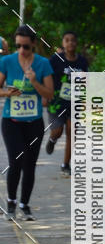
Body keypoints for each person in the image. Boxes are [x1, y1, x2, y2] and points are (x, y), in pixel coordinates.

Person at [0, 25, 54, 220]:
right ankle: (12, 202)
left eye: (26, 46)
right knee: (16, 159)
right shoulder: (6, 61)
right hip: (11, 121)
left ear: (33, 44)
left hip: (34, 122)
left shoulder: (42, 64)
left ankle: (25, 204)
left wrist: (34, 82)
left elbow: (49, 94)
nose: (22, 50)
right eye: (18, 46)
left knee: (30, 164)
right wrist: (7, 92)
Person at [45, 31, 89, 176]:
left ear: (76, 43)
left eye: (73, 40)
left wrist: (84, 102)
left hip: (74, 103)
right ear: (63, 43)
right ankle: (52, 139)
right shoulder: (56, 59)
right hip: (57, 102)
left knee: (72, 132)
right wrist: (46, 94)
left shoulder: (82, 62)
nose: (70, 43)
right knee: (58, 131)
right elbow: (47, 76)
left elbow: (85, 82)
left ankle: (66, 164)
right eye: (67, 40)